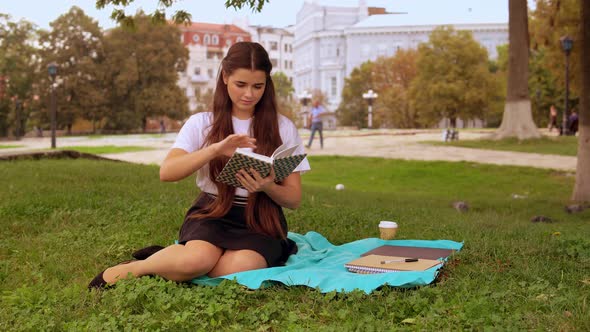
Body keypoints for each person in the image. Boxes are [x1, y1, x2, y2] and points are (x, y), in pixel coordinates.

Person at [89, 42, 310, 289]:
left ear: (266, 84)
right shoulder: (202, 123)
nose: (249, 94)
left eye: (258, 86)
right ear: (225, 77)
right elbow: (167, 172)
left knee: (234, 269)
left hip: (261, 217)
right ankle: (140, 267)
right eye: (241, 84)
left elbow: (294, 199)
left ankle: (172, 260)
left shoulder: (283, 127)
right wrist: (215, 149)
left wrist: (268, 186)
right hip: (214, 211)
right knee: (197, 260)